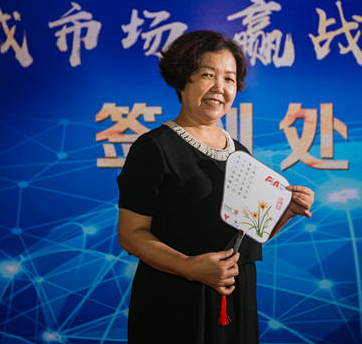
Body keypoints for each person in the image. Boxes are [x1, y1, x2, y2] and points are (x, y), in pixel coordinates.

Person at [117, 30, 315, 344]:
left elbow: (247, 233)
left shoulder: (240, 153)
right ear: (182, 79)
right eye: (208, 75)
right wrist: (188, 267)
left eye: (229, 79)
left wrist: (286, 212)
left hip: (235, 298)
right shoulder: (154, 148)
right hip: (175, 299)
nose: (219, 88)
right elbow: (131, 234)